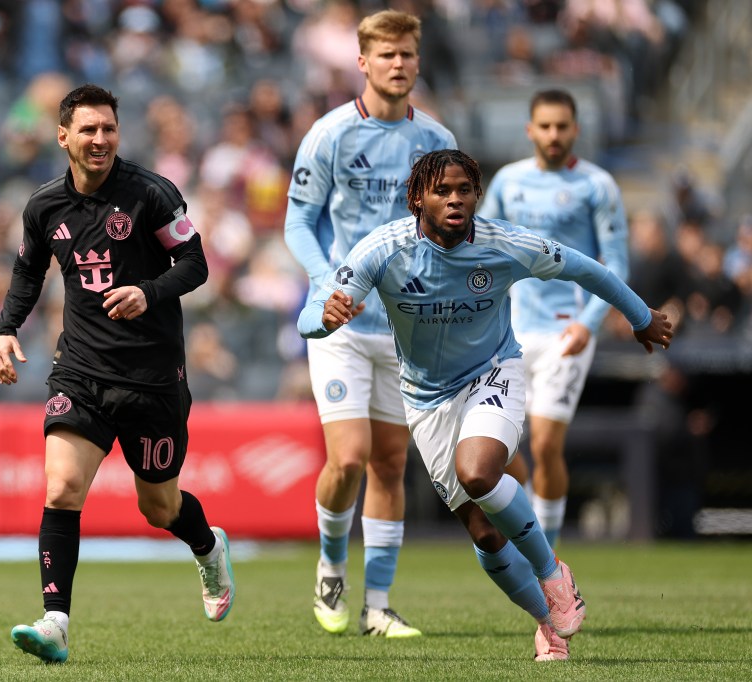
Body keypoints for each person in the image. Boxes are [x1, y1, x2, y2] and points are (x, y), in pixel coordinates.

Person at [297, 149, 672, 661]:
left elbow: (589, 271)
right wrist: (327, 318)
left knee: (478, 472)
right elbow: (310, 318)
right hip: (426, 400)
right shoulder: (382, 250)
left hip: (492, 372)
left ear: (476, 195)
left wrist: (639, 316)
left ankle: (552, 573)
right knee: (484, 536)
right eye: (442, 191)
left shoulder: (506, 244)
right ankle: (548, 624)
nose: (455, 199)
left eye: (464, 190)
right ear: (416, 199)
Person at [0, 83, 234, 665]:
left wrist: (148, 294)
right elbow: (29, 273)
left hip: (152, 379)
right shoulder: (44, 205)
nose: (100, 139)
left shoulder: (151, 194)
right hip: (80, 371)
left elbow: (196, 262)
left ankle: (207, 547)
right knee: (61, 488)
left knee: (159, 508)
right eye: (89, 130)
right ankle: (56, 622)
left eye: (109, 129)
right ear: (63, 136)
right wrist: (4, 329)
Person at [283, 9, 457, 638]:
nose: (399, 64)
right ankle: (331, 566)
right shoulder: (330, 135)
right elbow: (299, 222)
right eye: (387, 55)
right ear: (362, 61)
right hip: (344, 325)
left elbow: (450, 231)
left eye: (408, 55)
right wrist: (327, 280)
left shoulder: (436, 142)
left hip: (407, 329)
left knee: (390, 464)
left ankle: (377, 606)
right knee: (349, 459)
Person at [477, 88, 630, 549]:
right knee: (497, 448)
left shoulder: (597, 185)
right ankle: (529, 528)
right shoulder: (507, 182)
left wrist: (591, 321)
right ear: (530, 130)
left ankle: (549, 560)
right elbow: (481, 246)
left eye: (562, 126)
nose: (553, 134)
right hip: (509, 334)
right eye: (545, 126)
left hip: (567, 330)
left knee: (544, 445)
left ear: (576, 130)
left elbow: (617, 263)